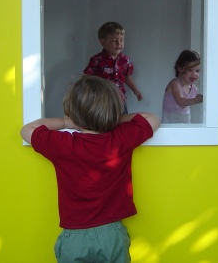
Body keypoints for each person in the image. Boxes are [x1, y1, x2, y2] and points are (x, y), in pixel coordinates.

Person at [20, 75, 161, 263]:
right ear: (113, 110)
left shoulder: (64, 145)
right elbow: (152, 119)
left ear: (72, 113)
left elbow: (27, 130)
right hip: (112, 235)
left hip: (74, 237)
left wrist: (65, 123)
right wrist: (115, 120)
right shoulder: (120, 139)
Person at [84, 21, 142, 114]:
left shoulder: (125, 60)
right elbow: (86, 78)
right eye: (114, 41)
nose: (119, 43)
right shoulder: (97, 60)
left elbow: (127, 77)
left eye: (121, 40)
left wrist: (135, 90)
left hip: (120, 100)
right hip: (102, 100)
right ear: (102, 42)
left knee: (122, 120)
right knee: (103, 121)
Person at [161, 50, 203, 124]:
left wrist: (200, 98)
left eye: (197, 71)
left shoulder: (194, 89)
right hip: (170, 120)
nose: (194, 74)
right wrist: (195, 100)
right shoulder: (175, 83)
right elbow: (180, 100)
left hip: (185, 119)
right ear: (180, 68)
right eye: (190, 70)